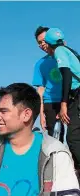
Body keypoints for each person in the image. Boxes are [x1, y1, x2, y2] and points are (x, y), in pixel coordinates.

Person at [44, 27, 80, 180]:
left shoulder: (59, 51)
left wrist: (63, 103)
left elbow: (66, 75)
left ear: (48, 44)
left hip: (76, 95)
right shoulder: (68, 50)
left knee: (73, 138)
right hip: (75, 96)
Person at [32, 26, 64, 142]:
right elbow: (40, 90)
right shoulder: (39, 64)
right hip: (50, 102)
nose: (43, 44)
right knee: (55, 139)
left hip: (69, 99)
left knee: (73, 138)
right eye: (40, 42)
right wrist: (41, 114)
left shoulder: (65, 55)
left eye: (45, 40)